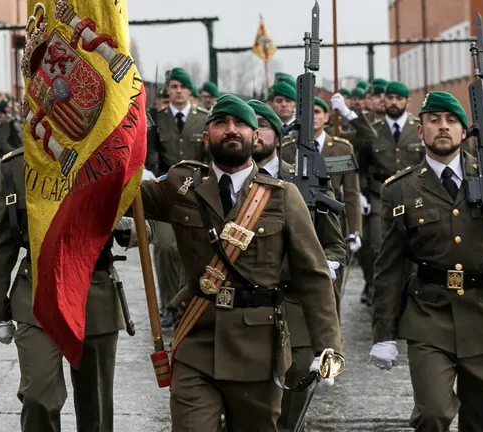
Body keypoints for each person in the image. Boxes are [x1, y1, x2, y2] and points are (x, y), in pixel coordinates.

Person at [137, 94, 342, 431]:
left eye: (240, 125)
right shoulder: (181, 184)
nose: (230, 130)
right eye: (220, 124)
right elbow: (119, 193)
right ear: (206, 137)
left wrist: (328, 347)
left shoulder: (283, 197)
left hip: (258, 352)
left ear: (255, 137)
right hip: (197, 342)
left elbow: (314, 276)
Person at [369, 91, 483, 432]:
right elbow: (389, 266)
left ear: (464, 131)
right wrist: (382, 333)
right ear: (421, 130)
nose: (443, 127)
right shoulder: (400, 190)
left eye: (451, 121)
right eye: (434, 121)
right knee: (433, 412)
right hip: (428, 314)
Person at [0, 146, 148, 432]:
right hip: (38, 291)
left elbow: (153, 227)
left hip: (94, 292)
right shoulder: (18, 165)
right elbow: (3, 240)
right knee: (38, 396)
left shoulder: (113, 155)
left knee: (95, 408)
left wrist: (128, 226)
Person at [248, 98, 347, 431]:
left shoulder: (305, 181)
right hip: (241, 316)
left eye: (261, 125)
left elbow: (335, 243)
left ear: (277, 134)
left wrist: (328, 261)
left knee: (289, 418)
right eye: (249, 126)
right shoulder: (226, 184)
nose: (254, 133)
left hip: (295, 314)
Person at [332, 81, 425, 306]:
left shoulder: (417, 128)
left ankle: (409, 290)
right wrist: (360, 191)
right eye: (390, 98)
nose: (394, 102)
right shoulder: (374, 128)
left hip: (412, 193)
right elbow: (361, 163)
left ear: (407, 101)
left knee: (415, 244)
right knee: (375, 245)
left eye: (399, 98)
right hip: (378, 193)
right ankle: (376, 287)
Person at [281, 96, 362, 314]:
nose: (312, 117)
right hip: (298, 224)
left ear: (326, 117)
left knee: (331, 291)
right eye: (307, 113)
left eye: (317, 112)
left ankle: (332, 342)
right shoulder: (287, 148)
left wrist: (355, 230)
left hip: (332, 227)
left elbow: (352, 193)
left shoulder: (342, 148)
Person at [147, 67, 209, 328]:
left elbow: (207, 157)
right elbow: (148, 154)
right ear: (168, 90)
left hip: (195, 193)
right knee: (164, 247)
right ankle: (168, 305)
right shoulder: (156, 119)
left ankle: (190, 303)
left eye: (183, 87)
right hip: (164, 190)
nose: (178, 91)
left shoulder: (203, 119)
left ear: (190, 90)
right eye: (173, 86)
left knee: (193, 248)